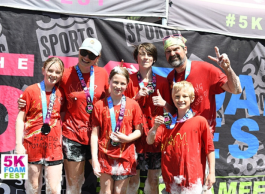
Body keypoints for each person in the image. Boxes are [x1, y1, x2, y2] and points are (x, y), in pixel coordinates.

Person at [18, 38, 109, 194]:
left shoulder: (103, 74)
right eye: (84, 52)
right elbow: (47, 91)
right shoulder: (65, 74)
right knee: (73, 184)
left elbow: (111, 101)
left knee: (97, 183)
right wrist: (23, 101)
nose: (86, 57)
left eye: (91, 55)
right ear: (79, 51)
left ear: (97, 58)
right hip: (72, 135)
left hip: (97, 135)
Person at [162, 33, 242, 135]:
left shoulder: (205, 69)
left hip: (202, 136)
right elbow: (175, 111)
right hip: (181, 135)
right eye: (168, 51)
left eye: (176, 49)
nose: (172, 54)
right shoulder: (170, 78)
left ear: (185, 49)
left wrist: (227, 69)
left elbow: (236, 90)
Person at [146, 81, 215, 193]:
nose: (180, 99)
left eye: (185, 96)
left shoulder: (200, 121)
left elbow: (210, 149)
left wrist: (212, 173)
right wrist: (155, 127)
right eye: (177, 96)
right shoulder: (167, 123)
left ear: (192, 98)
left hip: (192, 181)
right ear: (173, 99)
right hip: (171, 182)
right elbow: (149, 141)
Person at [124, 43, 174, 194]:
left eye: (149, 54)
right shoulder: (128, 80)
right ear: (136, 58)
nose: (145, 57)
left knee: (153, 180)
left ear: (154, 59)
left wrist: (164, 104)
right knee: (132, 180)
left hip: (156, 136)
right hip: (134, 136)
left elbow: (173, 112)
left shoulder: (163, 81)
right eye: (142, 54)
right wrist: (136, 97)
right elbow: (120, 109)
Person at [15, 57, 65, 194]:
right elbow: (20, 119)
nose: (53, 74)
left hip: (54, 147)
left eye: (57, 72)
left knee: (54, 190)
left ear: (61, 74)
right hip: (32, 146)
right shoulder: (30, 91)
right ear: (43, 70)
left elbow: (65, 115)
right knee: (33, 188)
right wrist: (18, 145)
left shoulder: (62, 93)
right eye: (50, 70)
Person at [91, 66, 143, 194]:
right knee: (106, 191)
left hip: (125, 155)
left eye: (122, 83)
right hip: (105, 154)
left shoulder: (133, 105)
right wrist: (94, 160)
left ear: (127, 85)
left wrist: (127, 138)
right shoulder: (99, 105)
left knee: (120, 192)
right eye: (115, 82)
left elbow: (139, 131)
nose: (118, 86)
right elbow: (94, 135)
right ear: (109, 81)